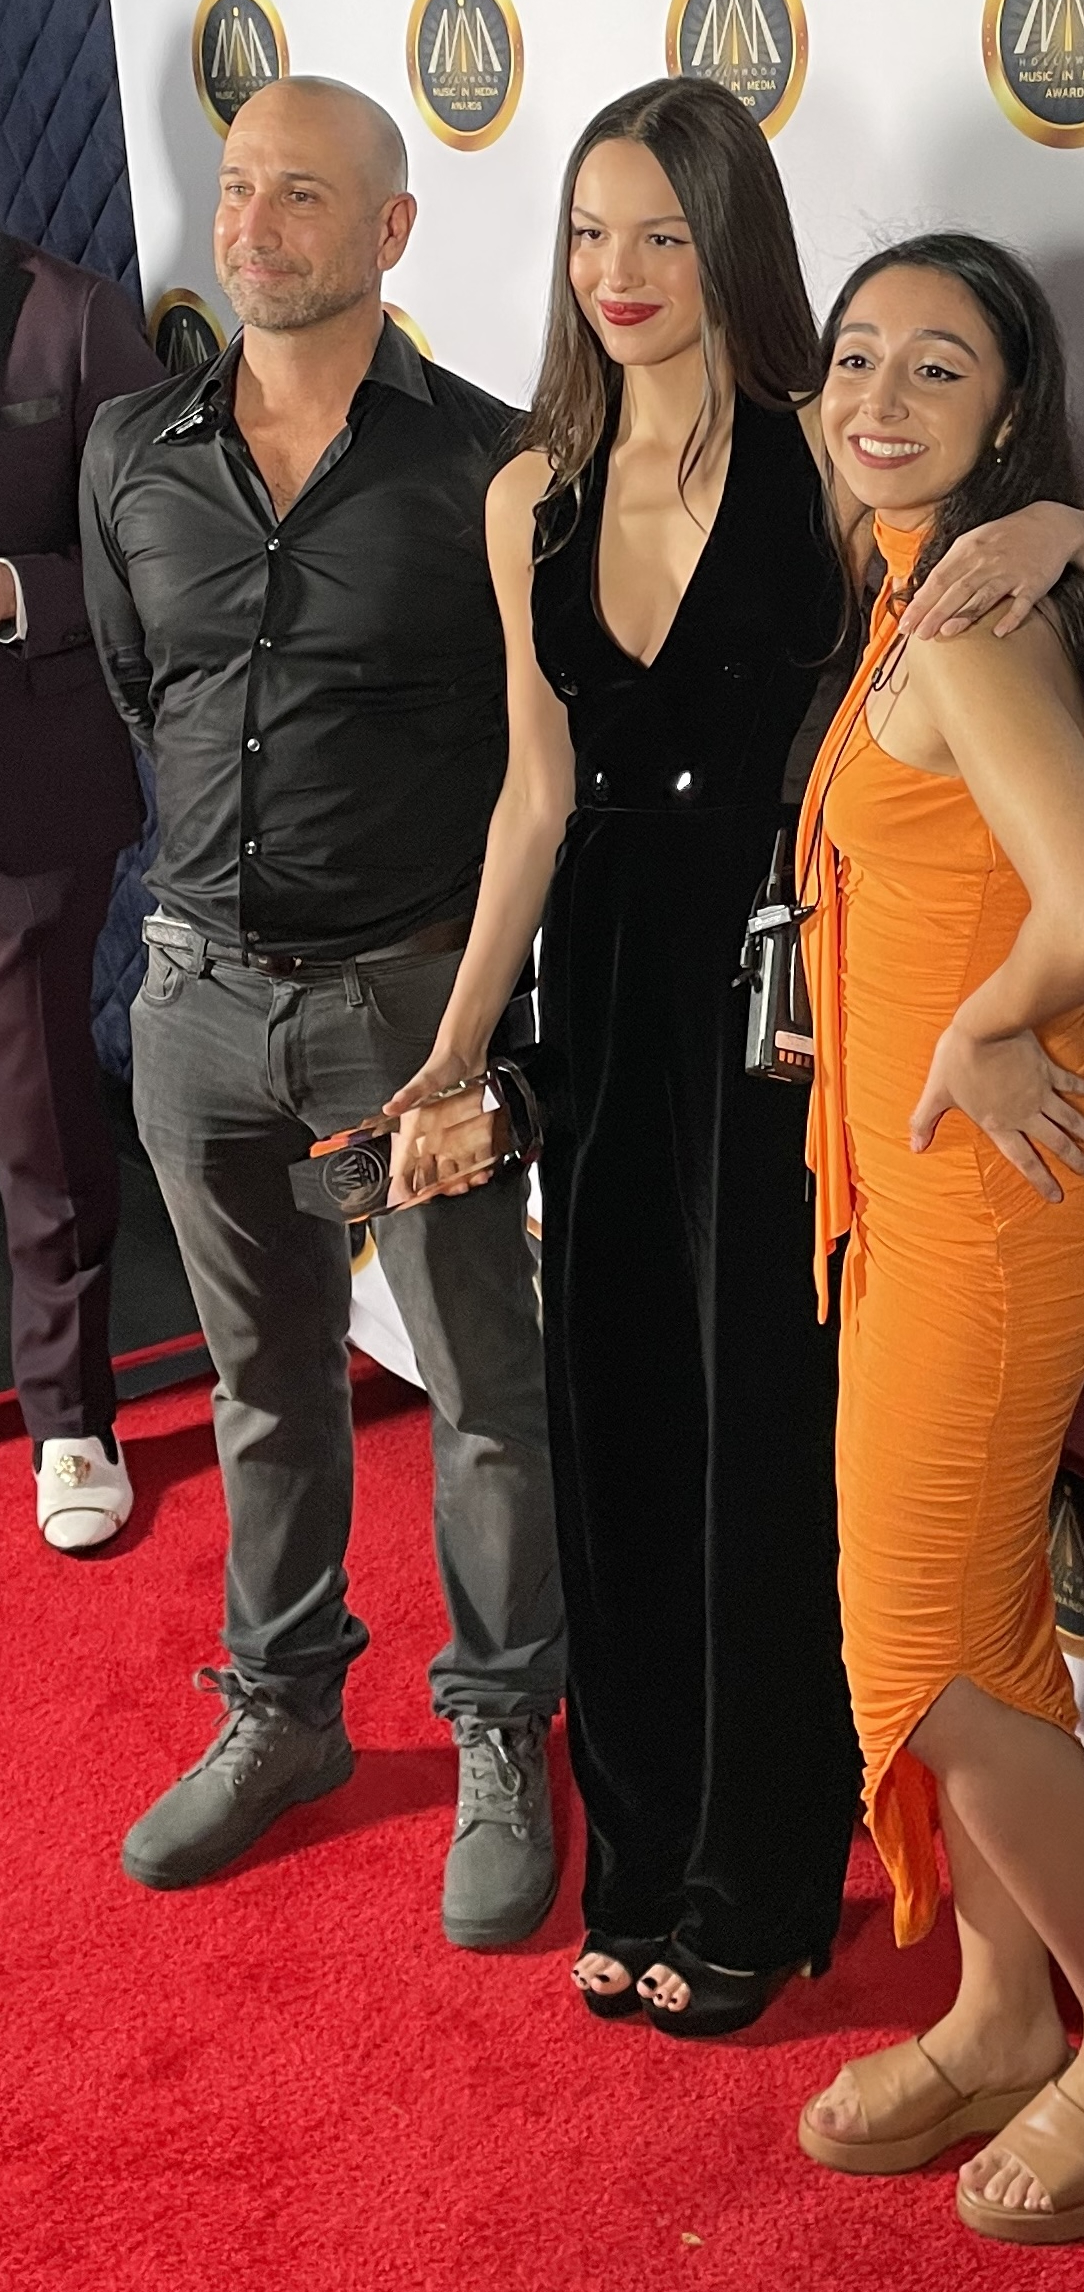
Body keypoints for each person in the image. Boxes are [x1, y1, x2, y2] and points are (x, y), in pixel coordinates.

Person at [385, 82, 1084, 2036]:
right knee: (617, 1434)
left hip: (791, 1004)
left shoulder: (821, 450)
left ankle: (757, 1884)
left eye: (664, 233)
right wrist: (460, 1045)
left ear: (733, 245)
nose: (620, 274)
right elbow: (534, 792)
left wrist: (1063, 522)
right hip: (603, 992)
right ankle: (641, 1856)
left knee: (765, 1446)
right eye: (591, 233)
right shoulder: (526, 494)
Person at [79, 78, 565, 1949]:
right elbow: (148, 693)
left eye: (302, 194)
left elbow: (538, 771)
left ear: (390, 229)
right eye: (237, 188)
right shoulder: (129, 449)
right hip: (195, 1000)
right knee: (262, 1383)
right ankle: (283, 1710)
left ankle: (505, 1729)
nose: (254, 226)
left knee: (485, 1399)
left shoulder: (496, 466)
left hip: (410, 1016)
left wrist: (474, 1036)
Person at [793, 235, 1084, 2238]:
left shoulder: (967, 624)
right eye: (855, 358)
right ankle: (997, 2013)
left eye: (937, 370)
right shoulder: (930, 577)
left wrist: (976, 1027)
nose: (879, 400)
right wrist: (1069, 526)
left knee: (927, 1658)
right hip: (927, 1196)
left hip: (999, 1198)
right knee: (960, 1635)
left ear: (1004, 413)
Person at [0, 231, 161, 1550]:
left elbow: (153, 550)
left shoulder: (79, 318)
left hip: (30, 790)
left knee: (40, 1114)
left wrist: (14, 588)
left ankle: (69, 1416)